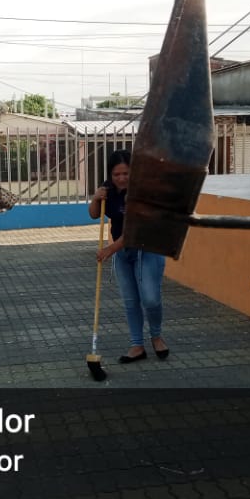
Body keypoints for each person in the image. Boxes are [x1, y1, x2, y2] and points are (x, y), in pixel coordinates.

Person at [89, 149, 170, 363]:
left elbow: (135, 229)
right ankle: (137, 345)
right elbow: (94, 214)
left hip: (147, 249)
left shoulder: (142, 192)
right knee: (130, 300)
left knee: (150, 299)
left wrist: (109, 250)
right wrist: (96, 198)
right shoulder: (108, 189)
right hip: (123, 253)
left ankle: (156, 336)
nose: (121, 178)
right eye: (116, 174)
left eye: (126, 173)